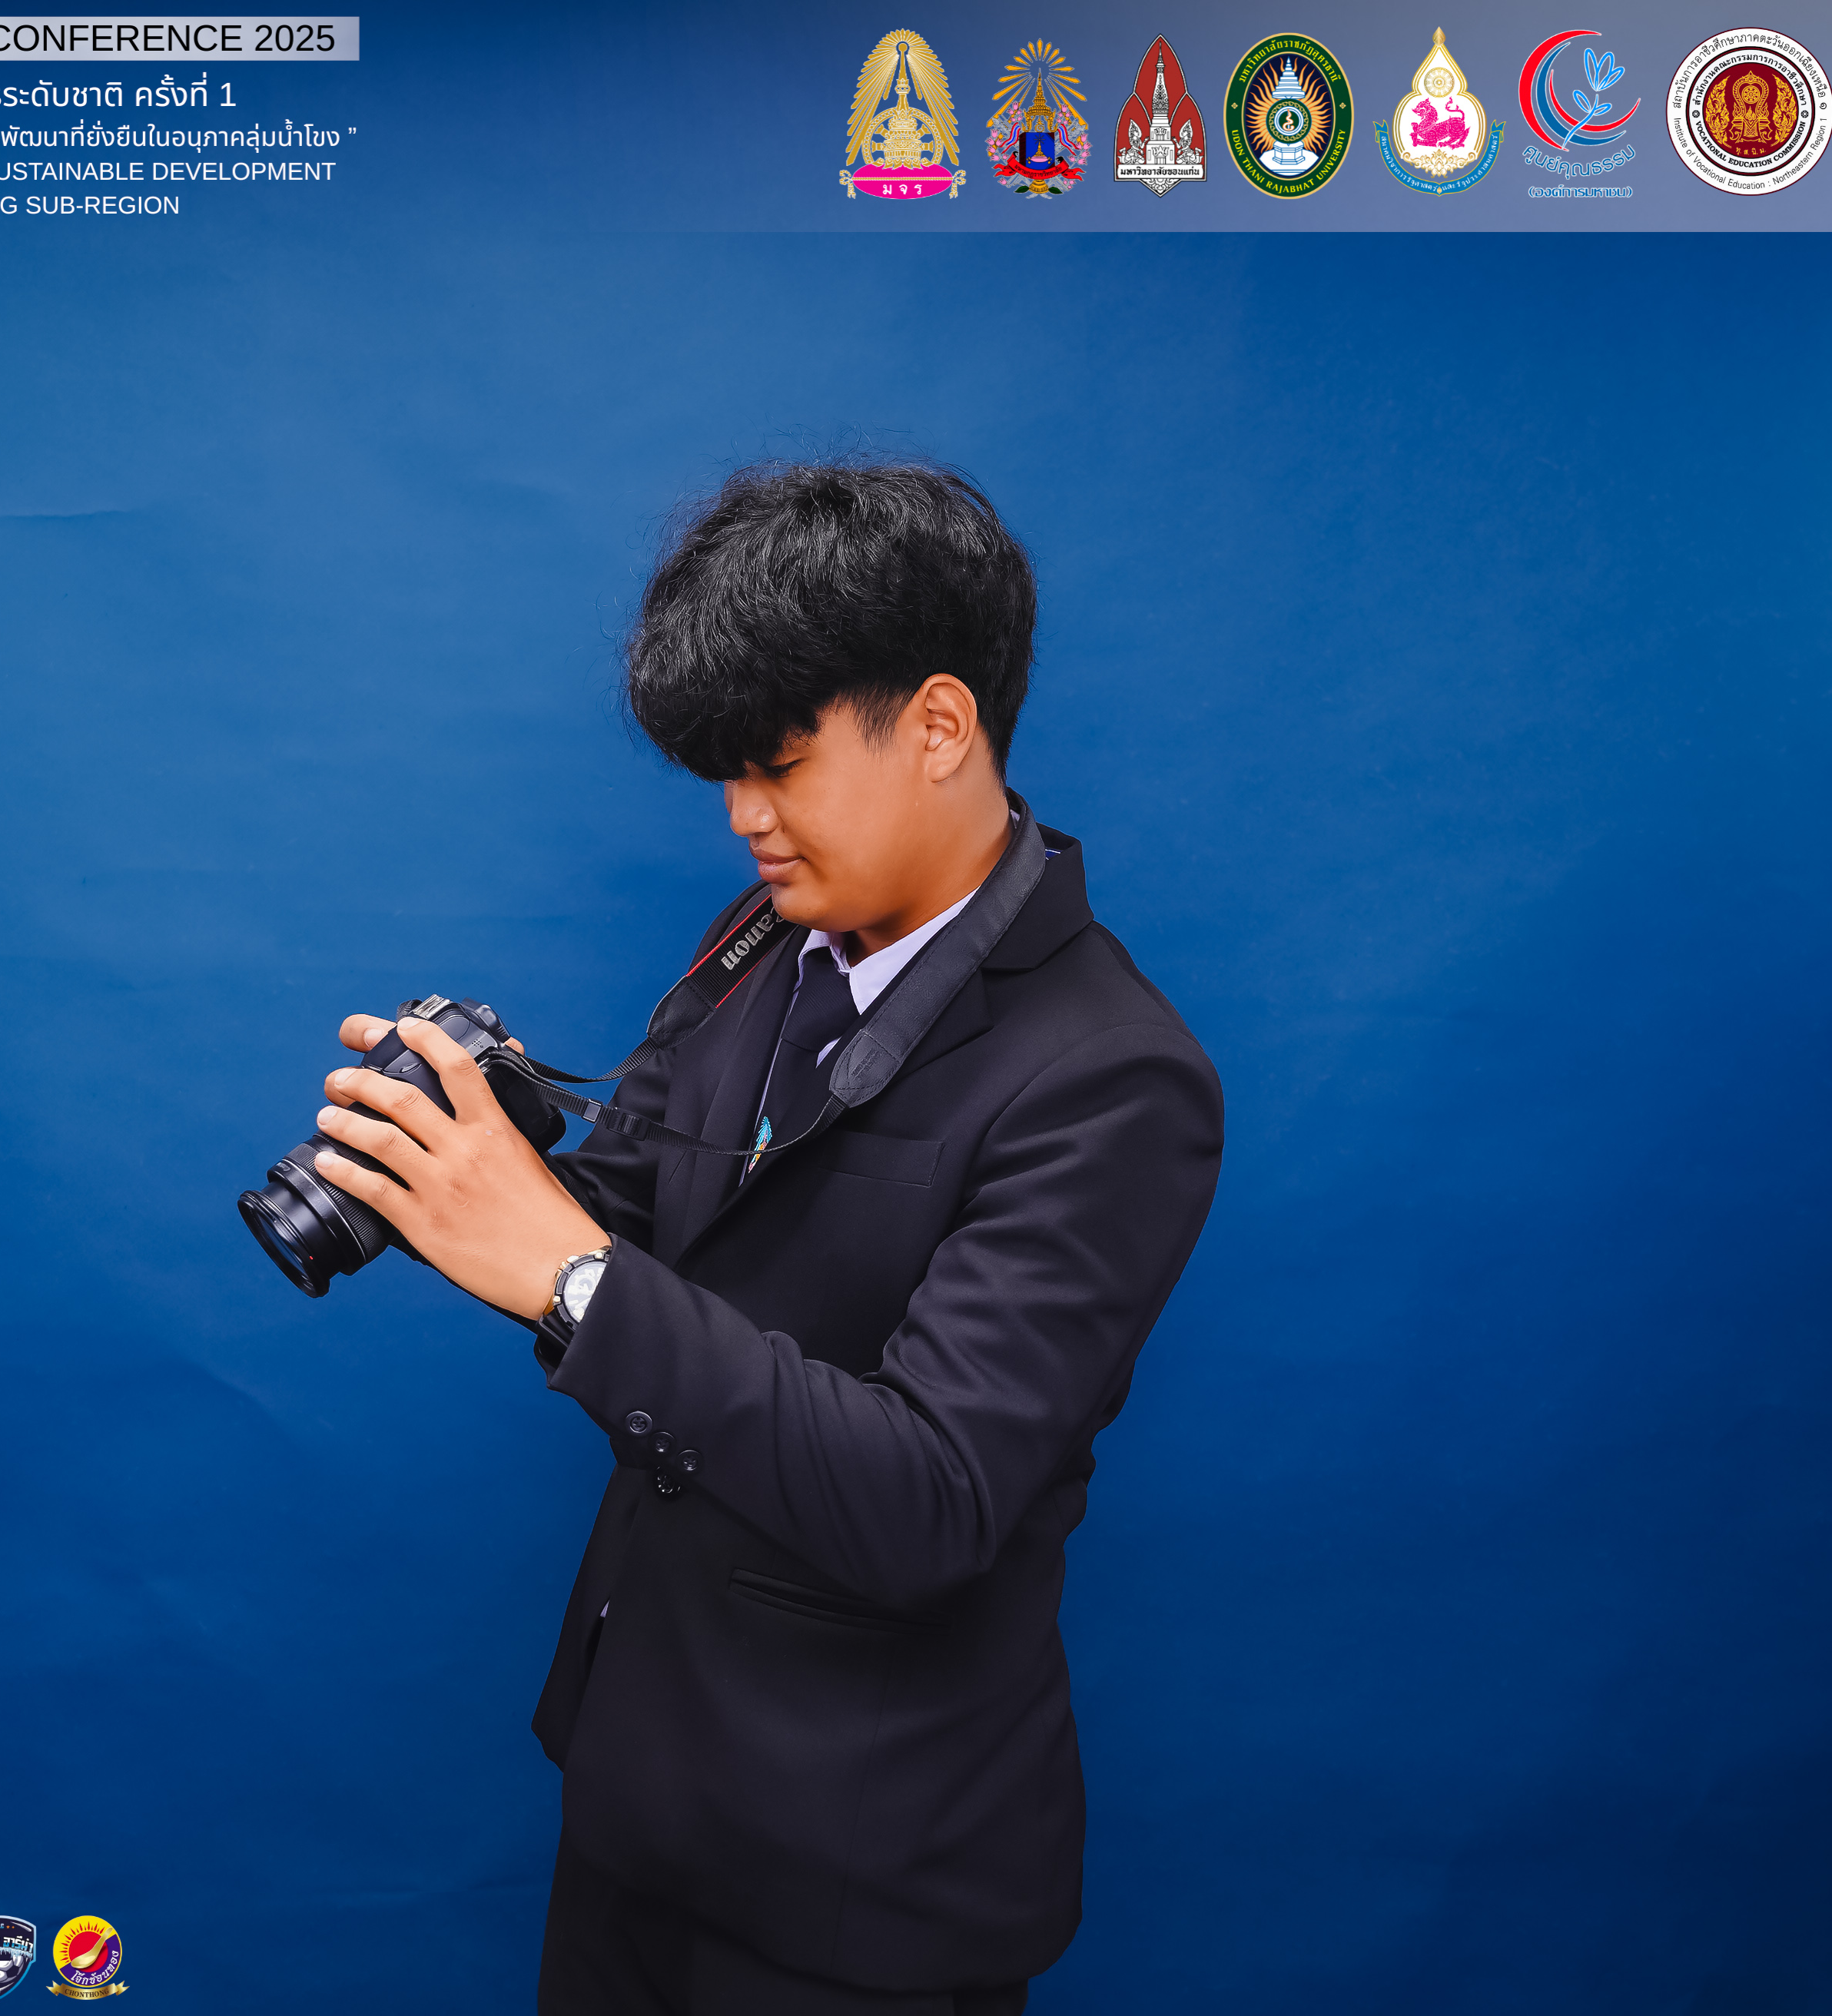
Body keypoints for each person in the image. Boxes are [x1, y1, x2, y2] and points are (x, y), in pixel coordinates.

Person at [304, 462, 1224, 2013]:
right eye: (728, 774)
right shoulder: (763, 938)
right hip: (633, 1788)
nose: (746, 820)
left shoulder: (1115, 1076)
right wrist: (458, 1158)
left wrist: (564, 1270)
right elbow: (640, 1220)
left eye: (781, 766)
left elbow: (930, 1497)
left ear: (940, 726)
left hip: (865, 1877)